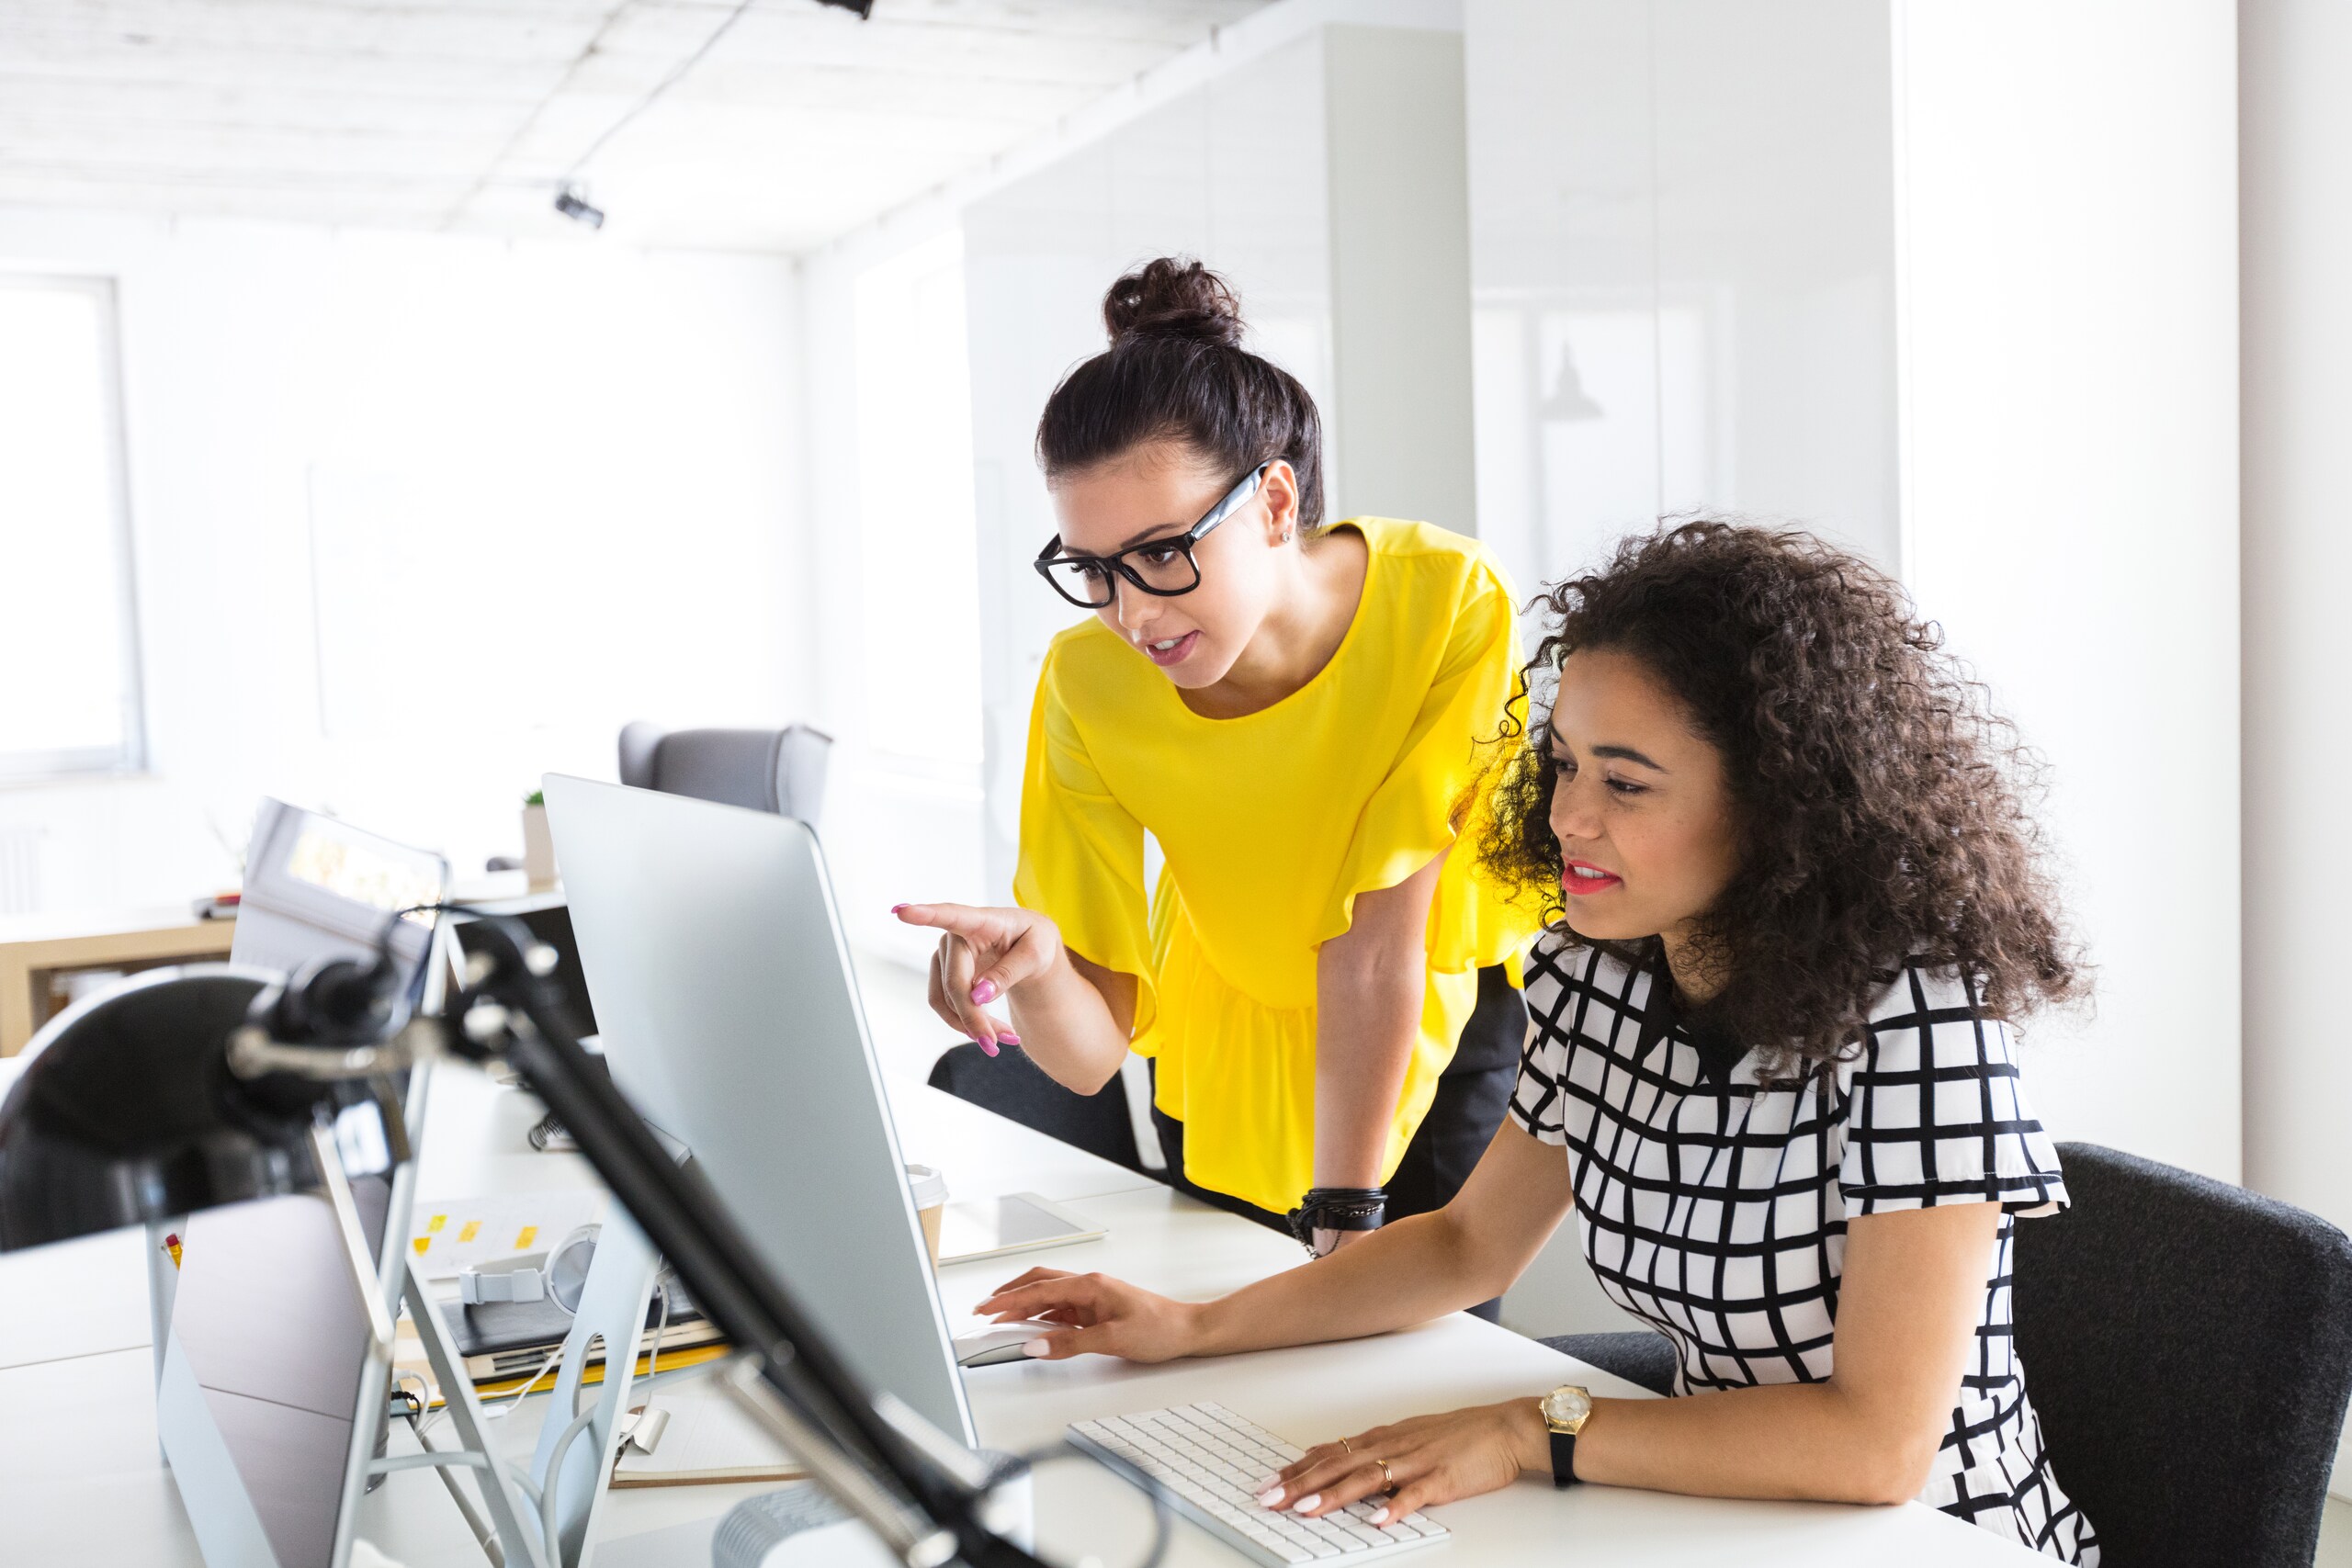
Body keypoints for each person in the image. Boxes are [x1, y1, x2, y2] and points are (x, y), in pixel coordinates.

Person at [967, 523, 2099, 1562]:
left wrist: (1528, 1430)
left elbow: (1876, 1448)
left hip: (1933, 1538)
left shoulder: (1916, 1021)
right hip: (1716, 1520)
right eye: (1562, 765)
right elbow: (1467, 1245)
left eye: (1625, 784)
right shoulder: (1597, 972)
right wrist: (1193, 1326)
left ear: (1777, 806)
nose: (1567, 818)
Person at [895, 257, 1544, 1264]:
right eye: (1094, 570)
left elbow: (1379, 949)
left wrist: (1343, 1216)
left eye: (1162, 553)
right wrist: (1039, 965)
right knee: (1232, 1328)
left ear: (1275, 503)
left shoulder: (1446, 601)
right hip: (1224, 1045)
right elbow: (1089, 1057)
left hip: (1423, 1027)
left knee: (1421, 1348)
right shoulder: (1085, 682)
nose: (1131, 614)